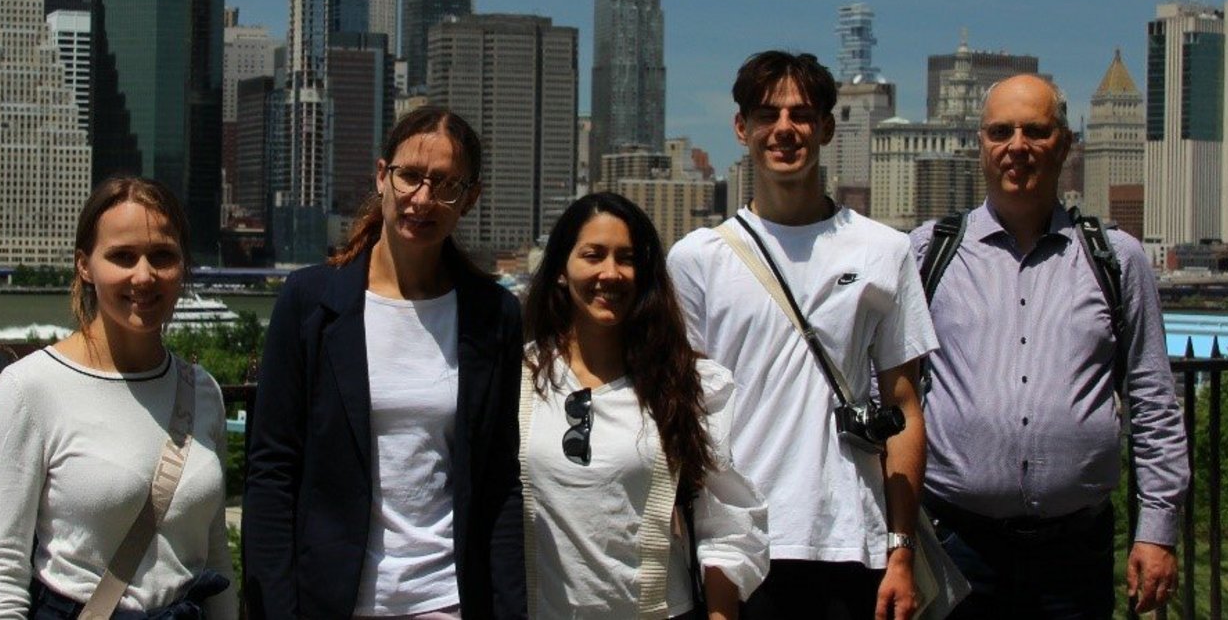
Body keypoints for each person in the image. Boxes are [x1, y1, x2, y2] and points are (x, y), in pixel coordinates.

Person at [667, 50, 938, 620]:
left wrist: (901, 550)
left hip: (847, 540)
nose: (784, 129)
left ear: (827, 129)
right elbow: (678, 408)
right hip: (733, 544)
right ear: (742, 128)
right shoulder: (696, 259)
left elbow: (904, 408)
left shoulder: (884, 250)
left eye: (802, 114)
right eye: (768, 115)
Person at [909, 75, 1188, 618]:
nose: (1017, 146)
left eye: (1035, 130)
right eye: (1000, 131)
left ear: (1065, 143)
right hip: (953, 544)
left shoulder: (1118, 259)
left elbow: (1154, 403)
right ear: (981, 146)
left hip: (1074, 555)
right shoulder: (926, 254)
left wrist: (1157, 531)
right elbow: (891, 396)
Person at [244, 107, 526, 620]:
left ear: (470, 198)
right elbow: (271, 472)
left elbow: (499, 480)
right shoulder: (310, 301)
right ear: (382, 176)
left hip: (448, 599)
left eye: (445, 184)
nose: (422, 199)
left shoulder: (494, 315)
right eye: (410, 177)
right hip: (331, 599)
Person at [0, 176, 234, 620]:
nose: (144, 275)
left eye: (163, 256)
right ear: (85, 265)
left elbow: (214, 556)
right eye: (123, 257)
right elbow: (1, 574)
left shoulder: (203, 391)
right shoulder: (29, 388)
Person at [521, 192, 769, 620]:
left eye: (627, 258)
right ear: (562, 269)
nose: (610, 274)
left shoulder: (688, 386)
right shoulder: (519, 379)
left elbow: (728, 524)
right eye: (593, 255)